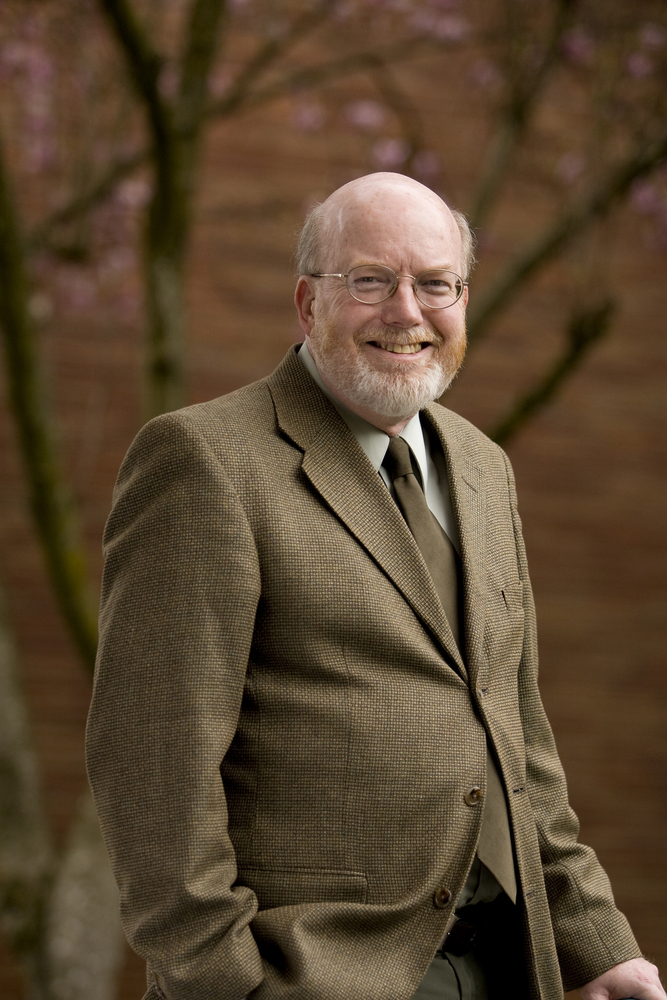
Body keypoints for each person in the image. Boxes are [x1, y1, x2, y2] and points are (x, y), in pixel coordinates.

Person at [86, 172, 664, 1000]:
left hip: (509, 964)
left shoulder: (482, 468)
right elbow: (150, 768)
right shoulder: (205, 460)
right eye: (369, 280)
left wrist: (596, 944)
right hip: (315, 977)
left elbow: (518, 742)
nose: (407, 311)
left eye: (435, 284)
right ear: (305, 301)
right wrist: (229, 984)